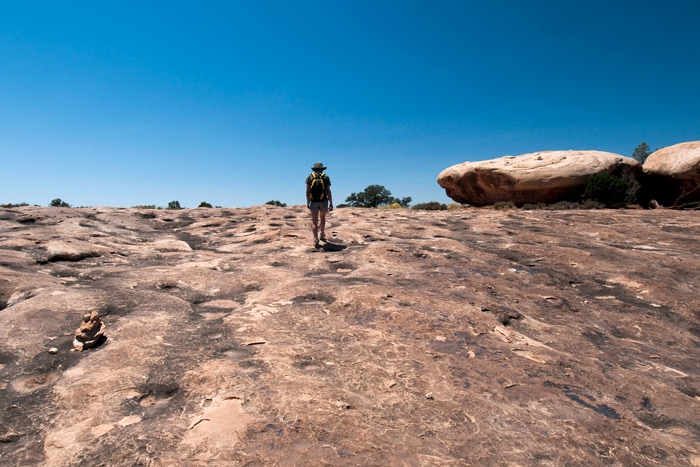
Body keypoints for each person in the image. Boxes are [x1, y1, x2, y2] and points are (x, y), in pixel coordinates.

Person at [305, 162, 333, 248]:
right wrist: (331, 203)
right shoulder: (326, 177)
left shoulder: (310, 177)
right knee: (322, 218)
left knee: (314, 221)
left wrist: (307, 202)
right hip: (324, 200)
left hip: (313, 201)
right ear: (322, 169)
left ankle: (316, 239)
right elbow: (328, 191)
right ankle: (322, 233)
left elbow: (307, 191)